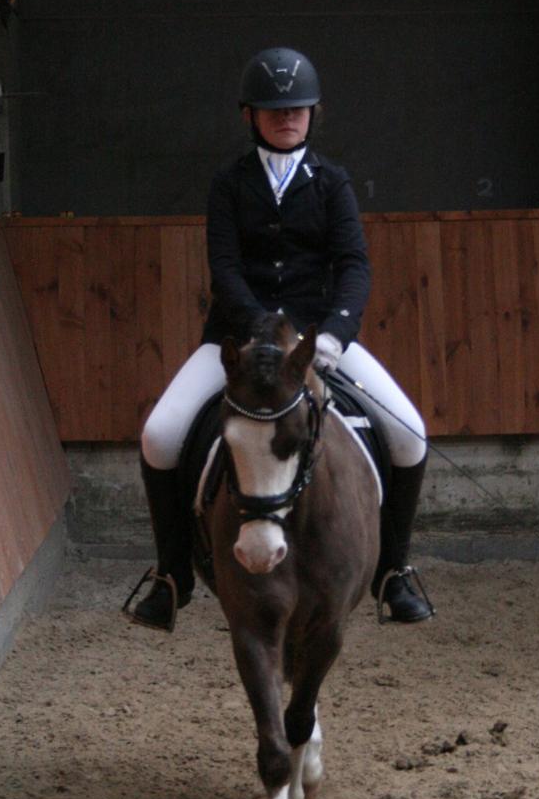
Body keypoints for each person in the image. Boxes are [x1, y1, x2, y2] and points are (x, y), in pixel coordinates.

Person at [131, 45, 434, 631]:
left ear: (313, 113)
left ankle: (393, 573)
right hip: (239, 339)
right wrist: (259, 335)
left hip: (319, 341)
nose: (286, 117)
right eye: (274, 110)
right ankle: (172, 577)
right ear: (250, 115)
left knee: (410, 434)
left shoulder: (333, 184)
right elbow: (225, 269)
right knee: (159, 436)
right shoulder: (229, 184)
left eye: (297, 108)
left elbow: (354, 265)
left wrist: (336, 335)